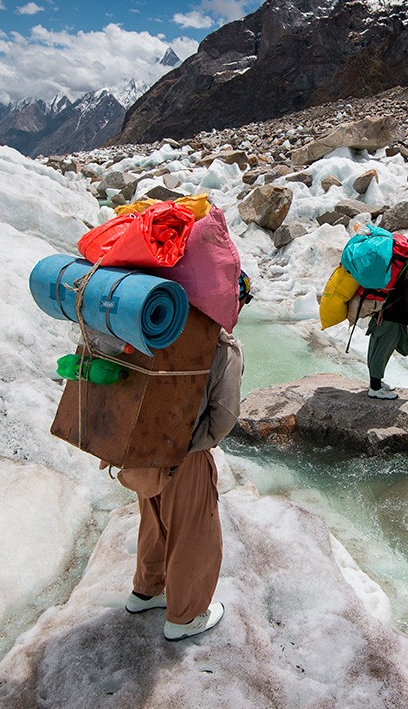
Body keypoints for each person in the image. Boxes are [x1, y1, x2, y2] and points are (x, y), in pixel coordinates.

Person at [119, 271, 250, 641]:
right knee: (195, 534)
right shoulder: (221, 346)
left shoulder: (153, 325)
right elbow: (223, 417)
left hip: (141, 449)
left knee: (154, 522)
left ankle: (146, 591)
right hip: (184, 456)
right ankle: (185, 617)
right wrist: (193, 445)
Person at [365, 244, 408, 399]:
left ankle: (376, 383)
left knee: (378, 349)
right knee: (382, 351)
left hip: (383, 311)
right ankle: (375, 388)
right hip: (393, 317)